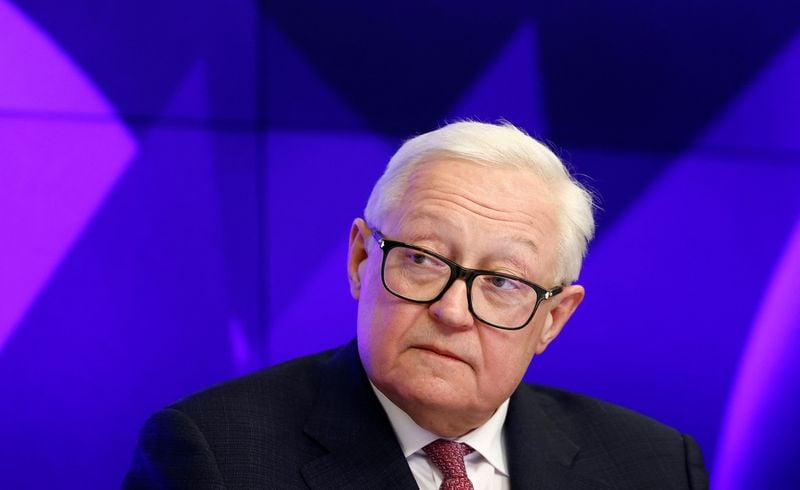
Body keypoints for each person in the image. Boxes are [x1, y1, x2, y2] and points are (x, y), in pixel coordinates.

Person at [124, 121, 708, 489]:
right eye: (423, 260)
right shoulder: (213, 457)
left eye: (502, 282)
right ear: (361, 259)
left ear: (552, 319)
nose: (452, 312)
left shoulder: (654, 466)